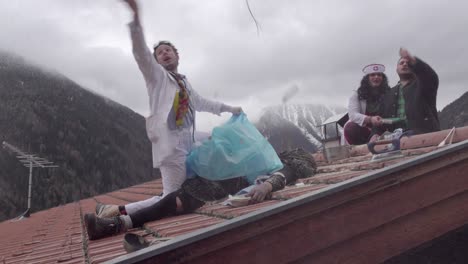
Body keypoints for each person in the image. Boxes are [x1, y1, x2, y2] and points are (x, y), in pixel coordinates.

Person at [108, 0, 243, 217]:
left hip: (189, 143)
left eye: (168, 50)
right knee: (171, 198)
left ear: (177, 55)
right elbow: (141, 54)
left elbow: (202, 102)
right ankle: (121, 215)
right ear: (157, 62)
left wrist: (230, 108)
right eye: (160, 53)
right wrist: (135, 21)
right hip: (171, 148)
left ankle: (117, 210)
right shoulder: (157, 78)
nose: (165, 54)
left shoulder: (184, 83)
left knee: (212, 145)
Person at [84, 148, 317, 240]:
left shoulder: (294, 162)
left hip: (228, 188)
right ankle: (116, 220)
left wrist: (267, 186)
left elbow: (287, 172)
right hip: (222, 181)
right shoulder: (270, 154)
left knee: (176, 200)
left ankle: (115, 224)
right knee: (176, 197)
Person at [381, 48, 440, 134]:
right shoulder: (388, 94)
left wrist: (414, 61)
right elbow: (381, 117)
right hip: (396, 139)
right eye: (401, 63)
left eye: (408, 63)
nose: (405, 64)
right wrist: (374, 133)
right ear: (396, 69)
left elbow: (431, 76)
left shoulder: (424, 84)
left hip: (424, 135)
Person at [343, 64, 390, 145]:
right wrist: (370, 119)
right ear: (367, 79)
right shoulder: (357, 95)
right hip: (364, 129)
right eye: (372, 75)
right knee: (350, 128)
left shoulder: (390, 93)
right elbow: (353, 115)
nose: (376, 77)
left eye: (379, 75)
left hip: (383, 127)